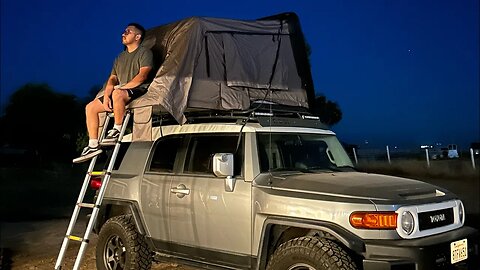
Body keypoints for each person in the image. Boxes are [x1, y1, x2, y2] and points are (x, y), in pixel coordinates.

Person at [73, 23, 153, 163]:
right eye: (124, 31)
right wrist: (106, 96)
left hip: (138, 88)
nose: (123, 34)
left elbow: (143, 76)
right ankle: (93, 145)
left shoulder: (145, 52)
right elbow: (112, 79)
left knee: (117, 94)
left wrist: (121, 89)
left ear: (137, 36)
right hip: (119, 90)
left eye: (128, 32)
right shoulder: (119, 57)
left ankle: (116, 129)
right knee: (90, 107)